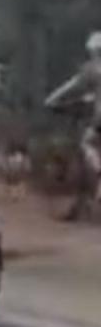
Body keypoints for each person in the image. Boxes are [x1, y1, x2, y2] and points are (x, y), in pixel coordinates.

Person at [46, 31, 101, 200]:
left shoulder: (92, 68)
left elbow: (71, 86)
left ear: (93, 51)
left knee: (87, 143)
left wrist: (51, 99)